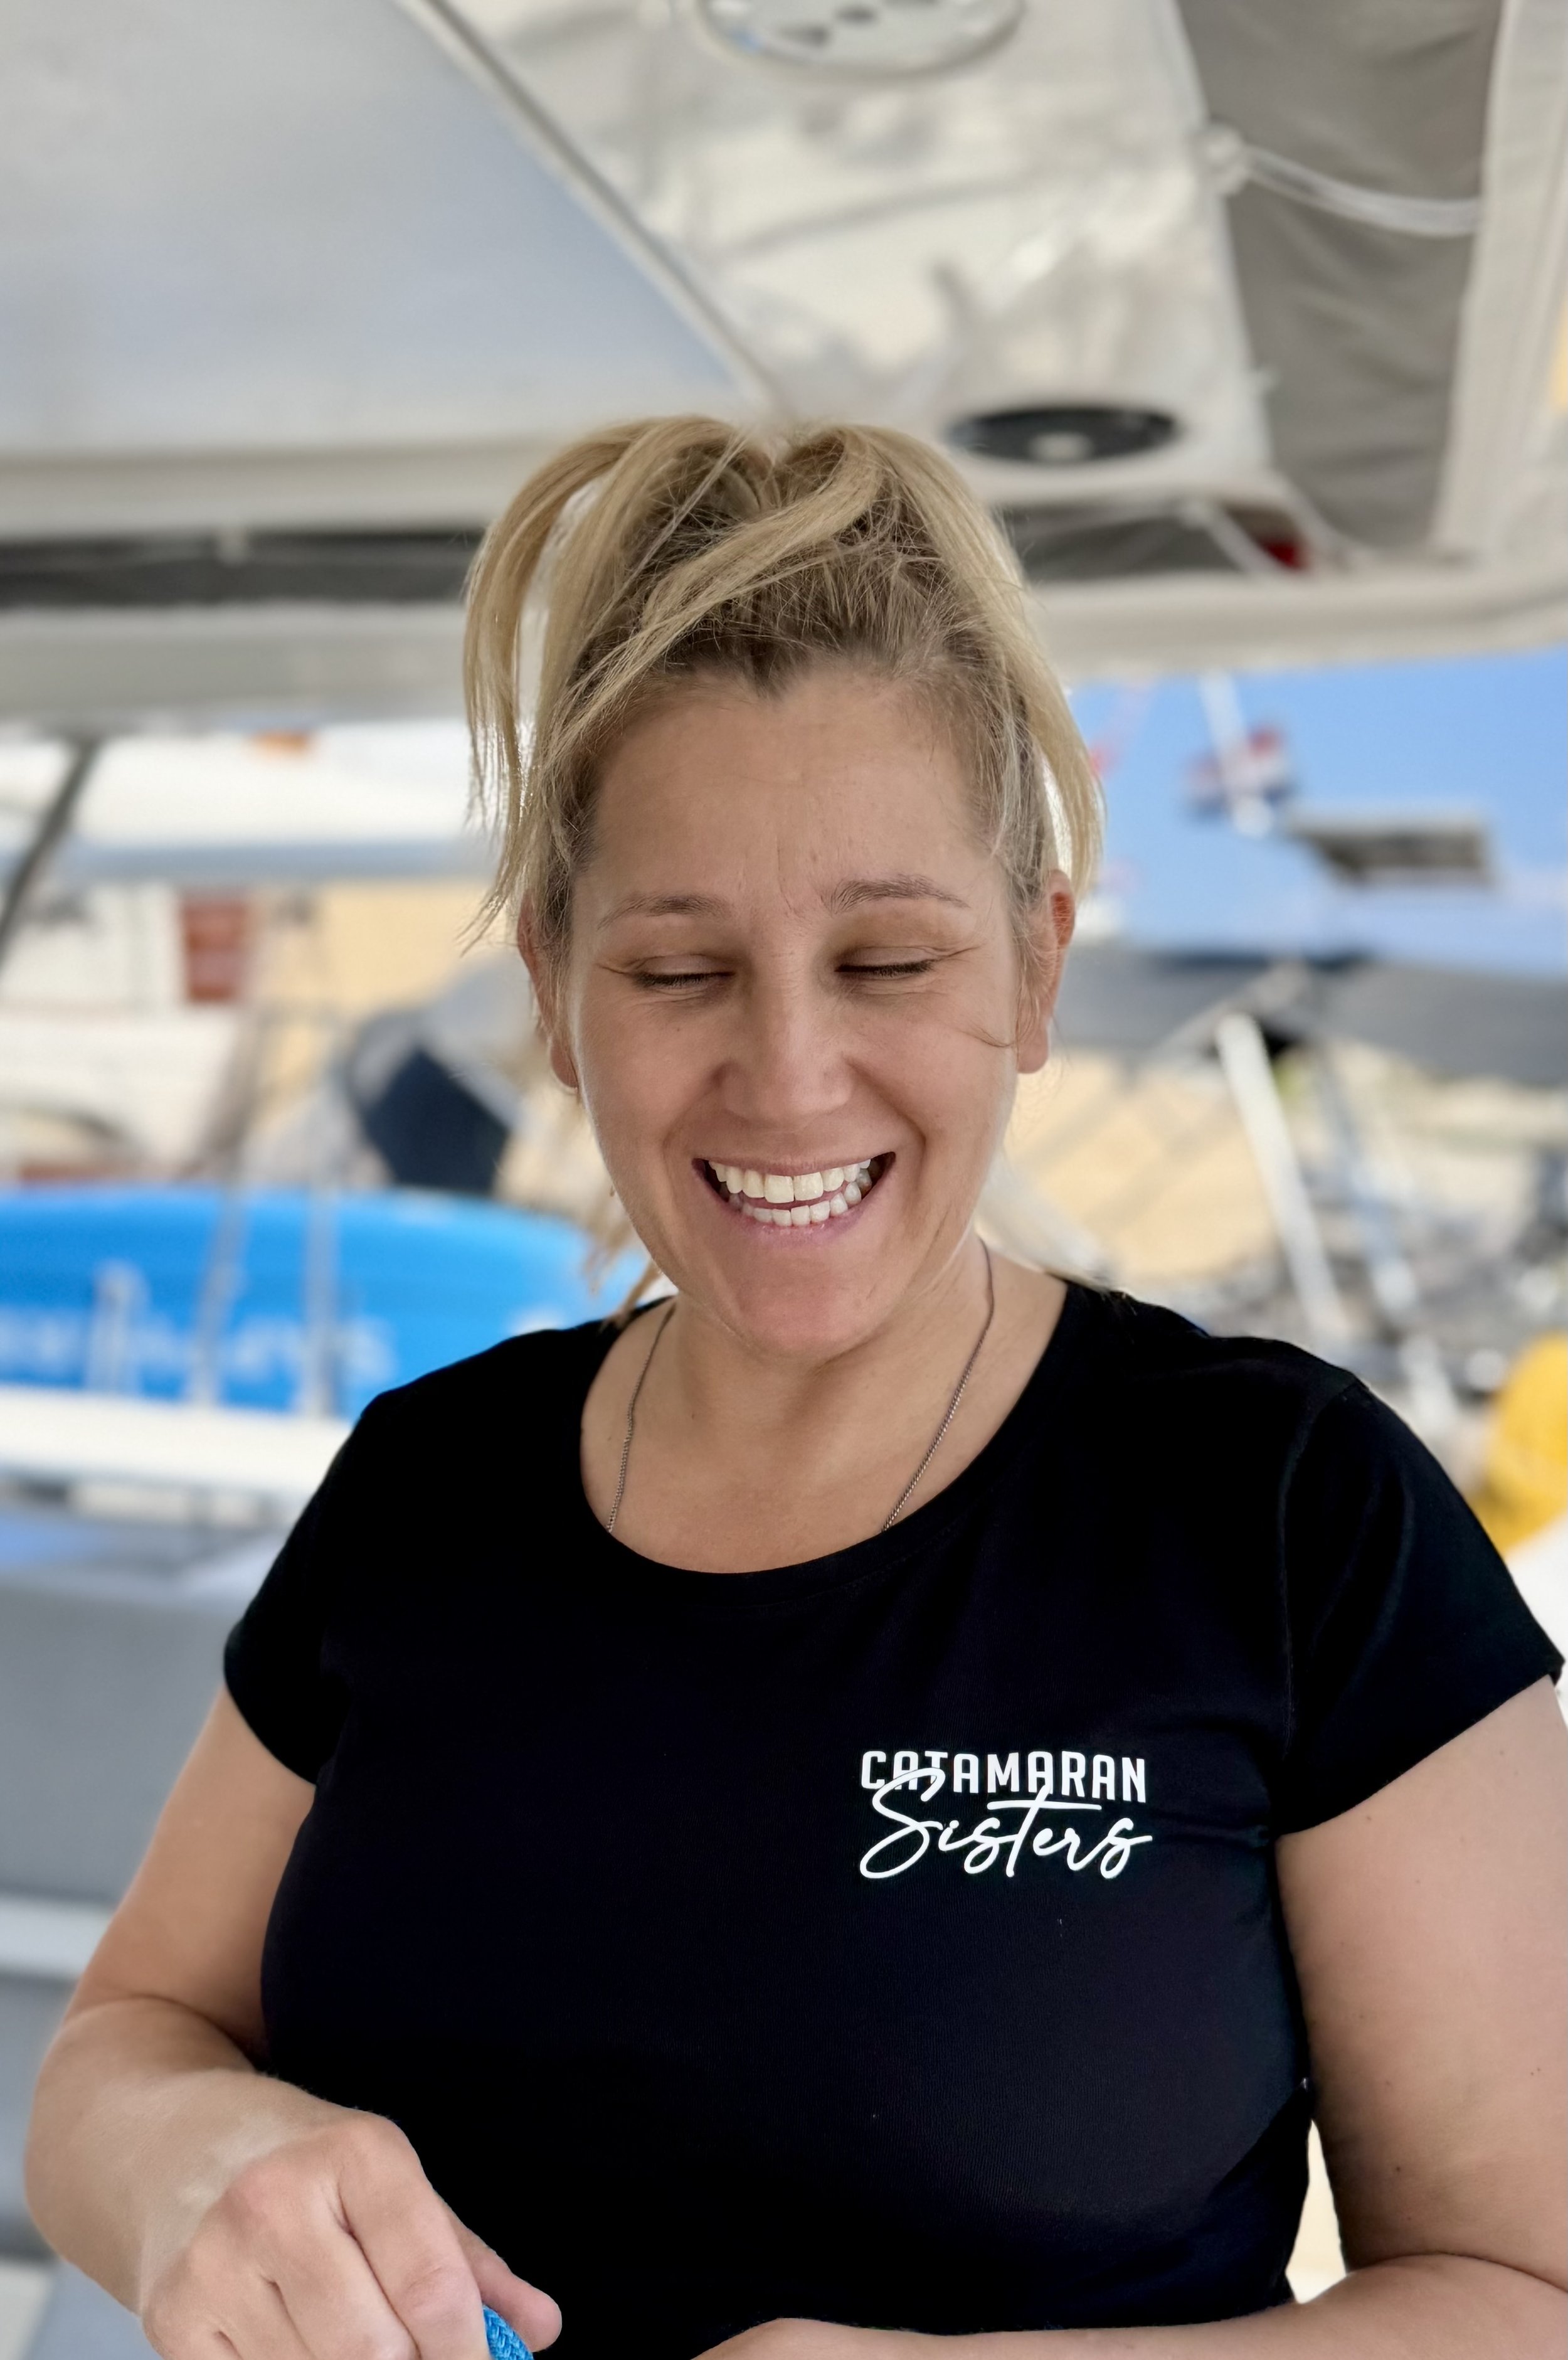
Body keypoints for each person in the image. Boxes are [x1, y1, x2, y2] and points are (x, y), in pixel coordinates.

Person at [24, 419, 1566, 2360]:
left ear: (1035, 964)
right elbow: (120, 2048)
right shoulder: (429, 1481)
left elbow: (1524, 2296)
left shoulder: (1286, 1515)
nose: (787, 1074)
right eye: (678, 972)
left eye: (885, 958)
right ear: (554, 991)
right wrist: (198, 2159)